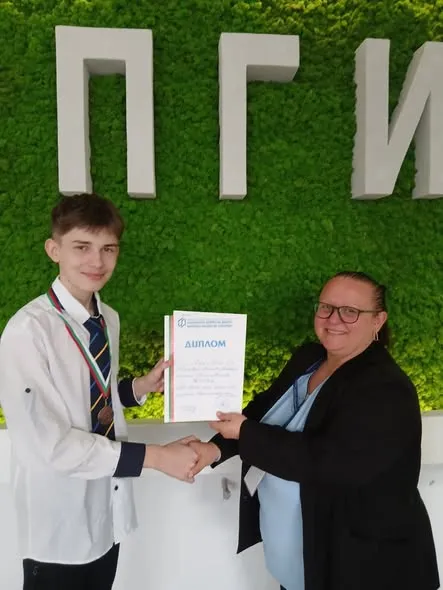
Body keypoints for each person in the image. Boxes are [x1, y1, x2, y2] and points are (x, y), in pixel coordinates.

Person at [189, 271, 440, 590]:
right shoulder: (309, 357)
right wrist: (214, 449)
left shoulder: (386, 388)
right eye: (326, 307)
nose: (334, 319)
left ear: (377, 320)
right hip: (297, 559)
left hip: (359, 565)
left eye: (350, 311)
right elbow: (263, 409)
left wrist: (246, 433)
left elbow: (327, 462)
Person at [0, 193, 199, 590]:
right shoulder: (28, 331)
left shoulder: (108, 318)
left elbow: (91, 398)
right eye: (82, 247)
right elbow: (49, 445)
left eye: (108, 248)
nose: (97, 261)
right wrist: (157, 457)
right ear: (54, 250)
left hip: (107, 511)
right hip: (58, 525)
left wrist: (139, 388)